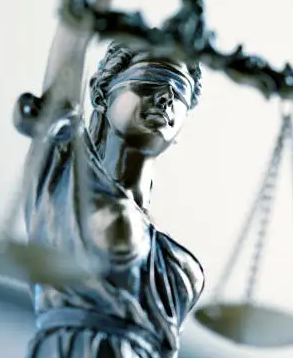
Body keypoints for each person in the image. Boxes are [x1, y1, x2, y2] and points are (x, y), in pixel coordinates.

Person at [15, 42, 205, 358]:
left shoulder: (180, 268)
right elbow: (72, 36)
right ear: (101, 95)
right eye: (151, 79)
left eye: (179, 92)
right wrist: (92, 2)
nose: (166, 98)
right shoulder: (67, 178)